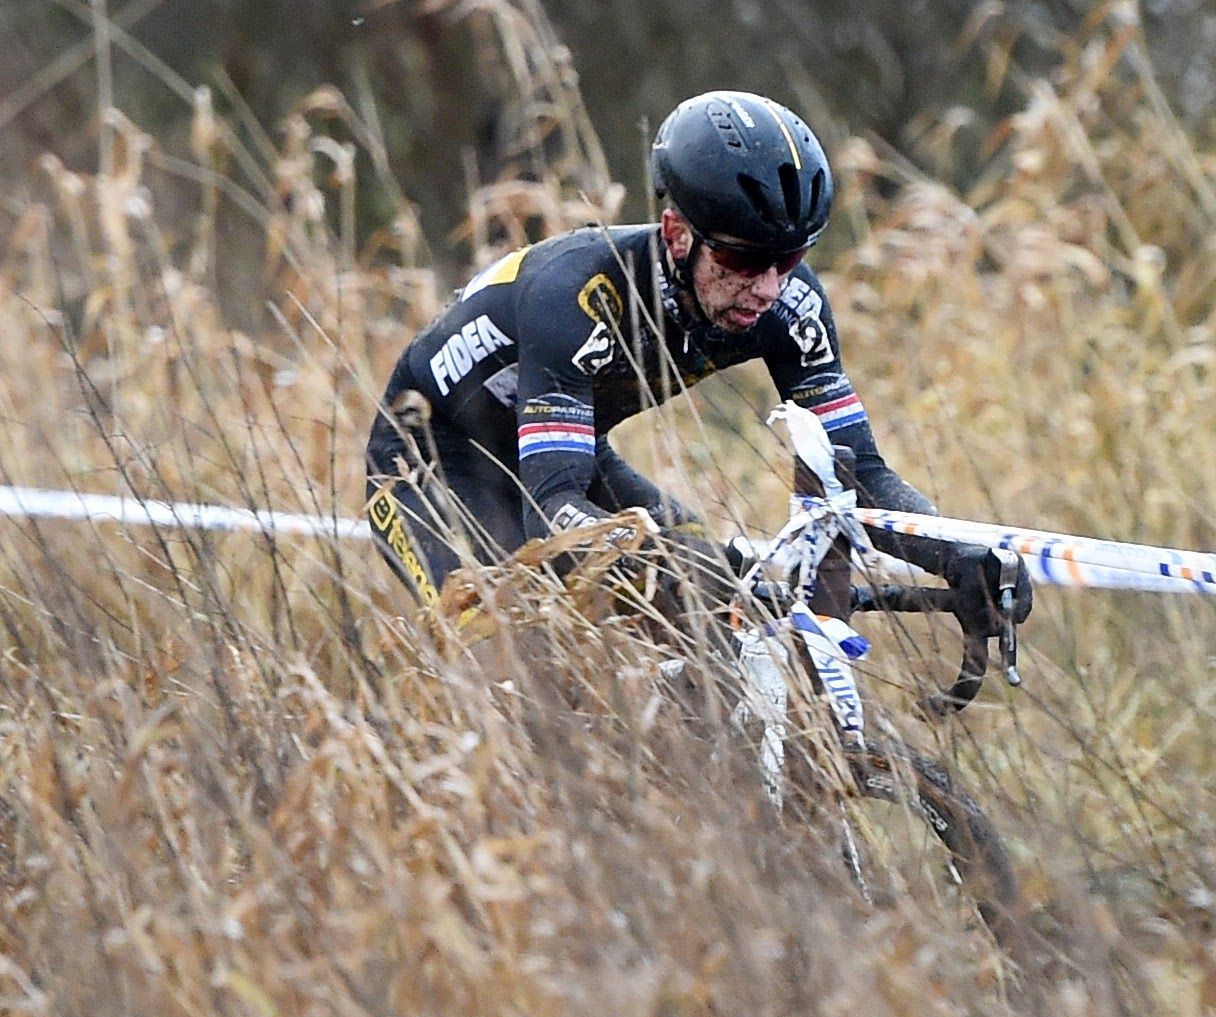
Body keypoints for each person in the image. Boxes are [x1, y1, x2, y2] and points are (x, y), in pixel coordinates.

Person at [363, 89, 1032, 638]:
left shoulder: (787, 309)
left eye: (790, 259)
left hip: (565, 450)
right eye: (743, 260)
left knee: (715, 621)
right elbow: (553, 505)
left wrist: (957, 550)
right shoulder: (576, 293)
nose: (767, 288)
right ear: (677, 235)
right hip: (428, 458)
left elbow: (861, 475)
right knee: (510, 656)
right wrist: (666, 564)